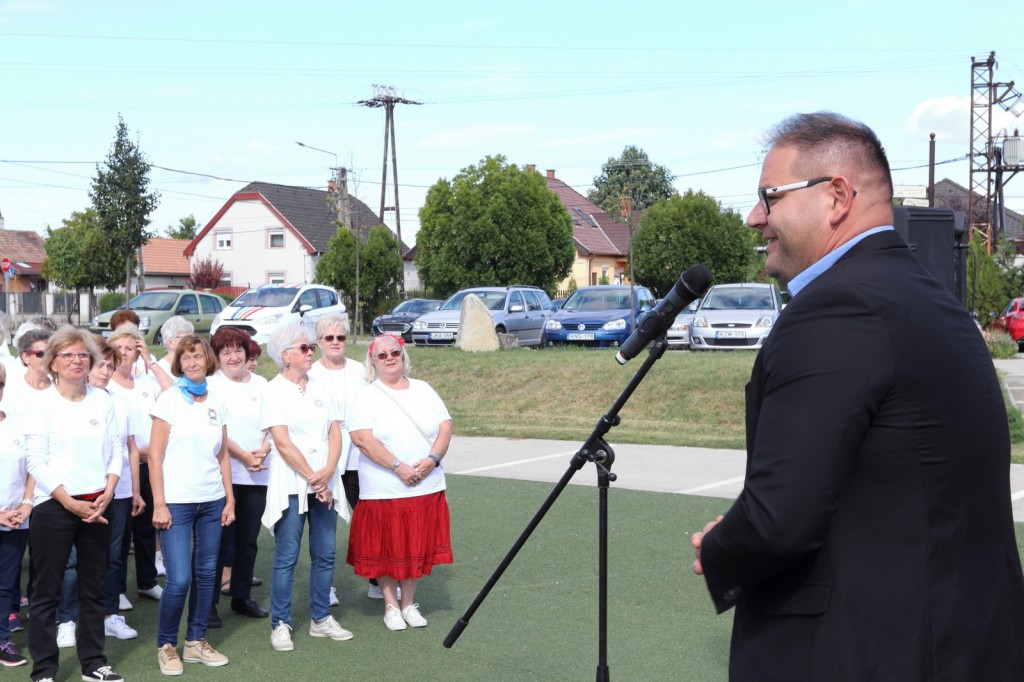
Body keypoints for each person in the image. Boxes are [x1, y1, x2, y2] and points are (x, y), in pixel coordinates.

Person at [689, 112, 1024, 681]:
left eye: (769, 197)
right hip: (966, 645)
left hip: (876, 653)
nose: (754, 218)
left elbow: (778, 519)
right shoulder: (936, 304)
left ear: (837, 196)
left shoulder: (835, 308)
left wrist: (723, 545)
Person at [25, 327, 124, 682]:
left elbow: (116, 450)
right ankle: (44, 670)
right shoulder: (41, 404)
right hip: (54, 506)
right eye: (67, 355)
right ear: (53, 363)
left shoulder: (103, 400)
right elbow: (35, 461)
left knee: (94, 588)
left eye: (83, 354)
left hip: (98, 505)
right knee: (46, 592)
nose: (77, 360)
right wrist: (69, 502)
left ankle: (93, 663)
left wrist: (108, 492)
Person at [348, 333, 454, 631]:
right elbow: (361, 438)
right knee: (386, 548)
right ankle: (390, 606)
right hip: (384, 488)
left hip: (426, 484)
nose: (389, 358)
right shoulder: (367, 395)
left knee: (415, 546)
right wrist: (398, 467)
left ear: (403, 355)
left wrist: (432, 459)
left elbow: (445, 426)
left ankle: (408, 604)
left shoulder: (423, 389)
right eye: (382, 355)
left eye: (394, 352)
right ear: (373, 361)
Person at [261, 323, 352, 652]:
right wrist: (316, 478)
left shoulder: (322, 385)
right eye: (304, 347)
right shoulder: (272, 391)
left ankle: (321, 617)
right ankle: (280, 623)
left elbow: (335, 432)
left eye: (311, 346)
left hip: (325, 477)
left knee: (326, 553)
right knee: (287, 556)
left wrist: (327, 473)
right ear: (285, 355)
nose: (311, 351)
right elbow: (283, 443)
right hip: (292, 481)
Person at [149, 335, 234, 675]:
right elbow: (154, 456)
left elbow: (223, 454)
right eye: (186, 358)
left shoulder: (218, 400)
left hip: (212, 500)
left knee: (207, 574)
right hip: (176, 503)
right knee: (180, 578)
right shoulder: (168, 399)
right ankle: (166, 644)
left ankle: (196, 642)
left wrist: (230, 498)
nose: (192, 362)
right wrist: (159, 503)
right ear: (179, 363)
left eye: (197, 356)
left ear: (208, 359)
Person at [208, 327, 270, 623]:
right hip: (224, 477)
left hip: (258, 474)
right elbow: (215, 431)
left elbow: (273, 425)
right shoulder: (211, 386)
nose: (233, 357)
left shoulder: (262, 384)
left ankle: (241, 596)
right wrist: (244, 456)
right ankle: (207, 604)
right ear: (217, 357)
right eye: (226, 351)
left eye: (238, 350)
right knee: (219, 542)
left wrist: (263, 451)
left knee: (248, 540)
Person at [307, 314, 368, 603]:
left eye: (340, 337)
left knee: (368, 521)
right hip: (325, 458)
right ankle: (325, 585)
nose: (335, 342)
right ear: (319, 342)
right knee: (324, 527)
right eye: (329, 338)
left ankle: (377, 579)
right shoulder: (310, 372)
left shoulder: (359, 370)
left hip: (358, 457)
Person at [106, 328, 163, 608]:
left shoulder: (146, 381)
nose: (124, 353)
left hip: (151, 466)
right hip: (123, 468)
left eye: (130, 348)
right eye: (118, 348)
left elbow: (172, 393)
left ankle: (147, 581)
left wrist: (150, 360)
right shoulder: (107, 386)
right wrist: (141, 453)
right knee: (121, 533)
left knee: (146, 527)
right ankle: (116, 589)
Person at [0, 364, 33, 668]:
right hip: (4, 517)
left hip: (16, 520)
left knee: (6, 583)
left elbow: (34, 466)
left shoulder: (18, 424)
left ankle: (1, 642)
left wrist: (26, 504)